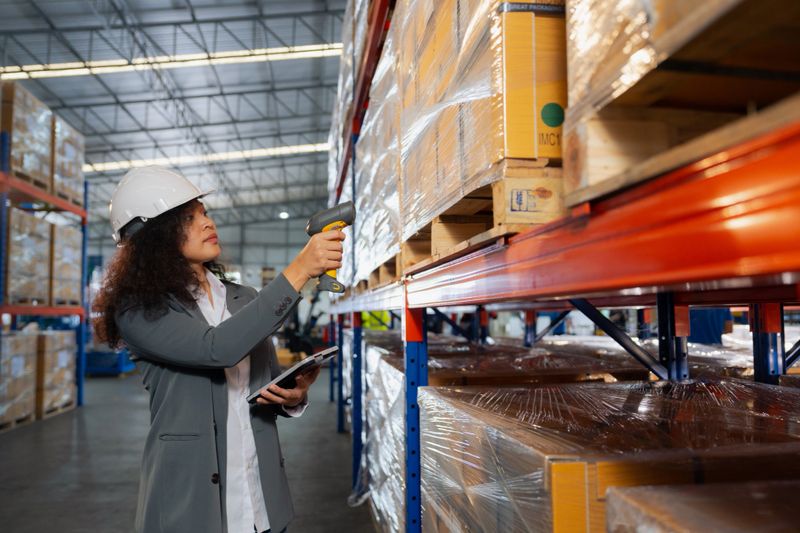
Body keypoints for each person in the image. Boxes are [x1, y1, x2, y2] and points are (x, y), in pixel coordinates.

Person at [92, 166, 345, 533]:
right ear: (155, 237)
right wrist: (300, 269)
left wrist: (293, 394)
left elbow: (266, 381)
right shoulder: (138, 308)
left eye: (205, 213)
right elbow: (217, 348)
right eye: (189, 218)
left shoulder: (245, 299)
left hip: (261, 503)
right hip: (189, 508)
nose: (207, 223)